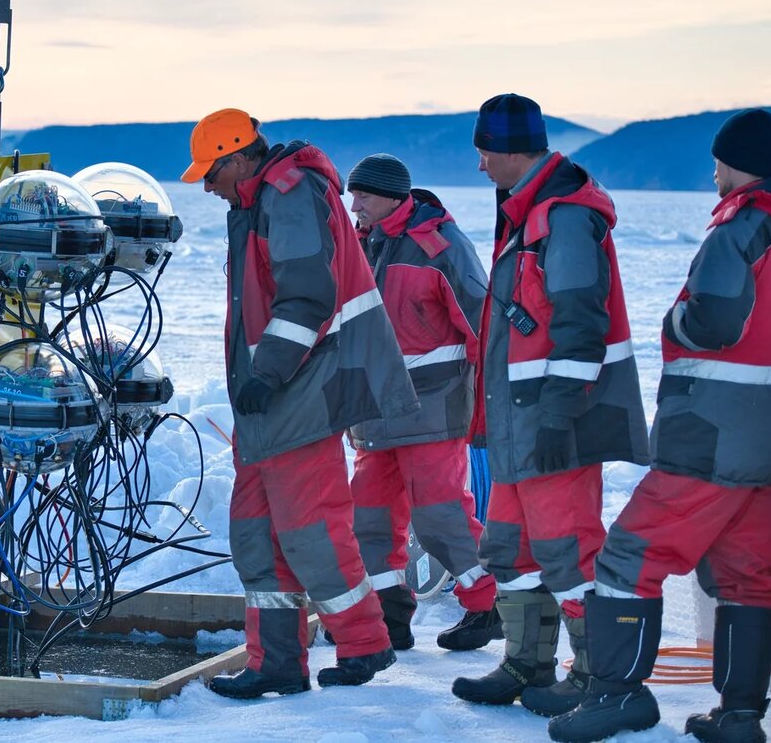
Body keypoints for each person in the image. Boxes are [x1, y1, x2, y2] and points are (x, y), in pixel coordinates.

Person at [549, 109, 771, 743]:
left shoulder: (738, 229)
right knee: (745, 576)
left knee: (627, 556)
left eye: (716, 163)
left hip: (707, 434)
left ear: (734, 163)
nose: (712, 175)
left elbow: (711, 322)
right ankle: (739, 717)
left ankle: (618, 695)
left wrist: (672, 322)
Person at [181, 108, 419, 699]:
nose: (208, 189)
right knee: (256, 533)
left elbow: (307, 297)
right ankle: (278, 661)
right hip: (271, 399)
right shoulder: (258, 202)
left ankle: (365, 643)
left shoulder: (289, 193)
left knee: (311, 528)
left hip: (301, 389)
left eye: (211, 175)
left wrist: (267, 374)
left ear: (238, 158)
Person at [452, 93, 649, 717]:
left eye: (484, 152)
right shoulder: (526, 212)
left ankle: (598, 677)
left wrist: (561, 415)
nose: (480, 166)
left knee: (569, 551)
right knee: (508, 548)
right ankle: (525, 663)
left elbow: (579, 324)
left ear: (510, 151)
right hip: (517, 423)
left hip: (549, 423)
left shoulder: (562, 217)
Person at [344, 153, 501, 652]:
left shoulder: (441, 245)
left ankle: (487, 607)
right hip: (374, 414)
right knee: (368, 519)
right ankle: (391, 618)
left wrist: (485, 406)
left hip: (433, 411)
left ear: (392, 194)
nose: (355, 205)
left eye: (363, 195)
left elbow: (484, 324)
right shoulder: (360, 245)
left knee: (440, 517)